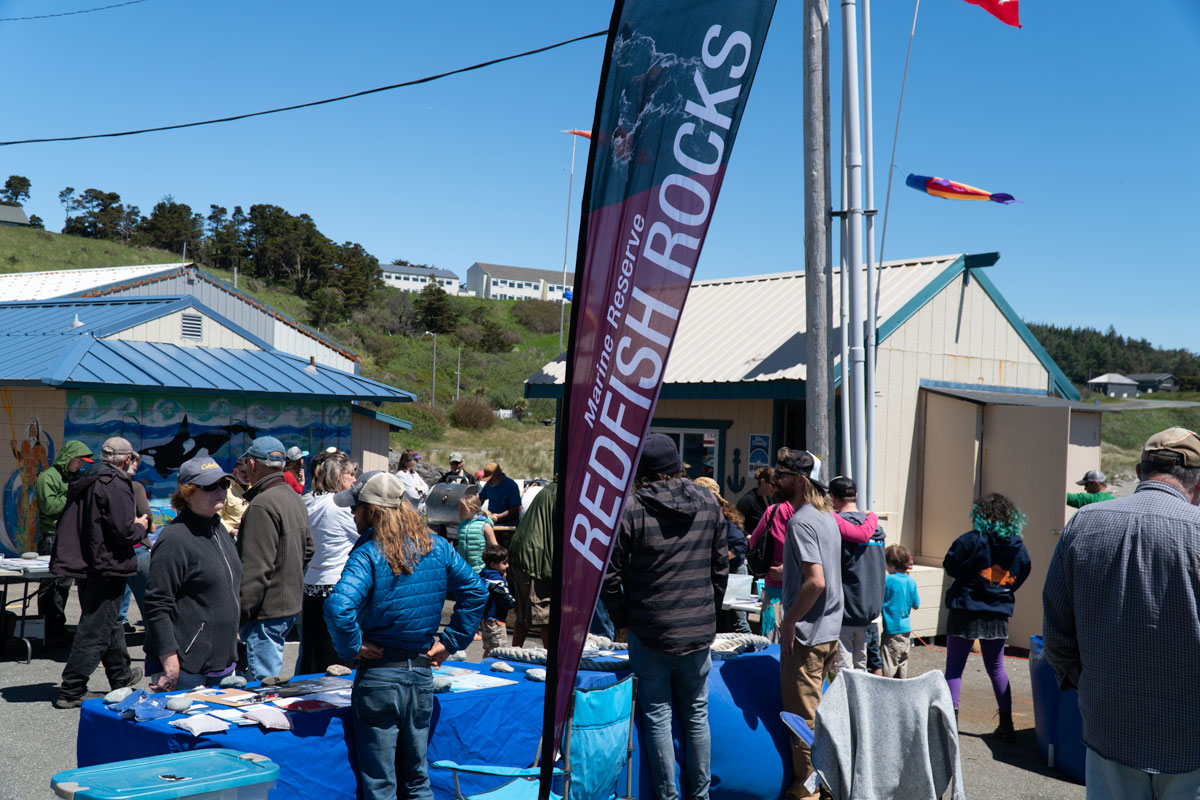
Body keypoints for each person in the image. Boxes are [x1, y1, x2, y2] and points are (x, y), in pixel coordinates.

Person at [1044, 427, 1200, 795]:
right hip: (1190, 739)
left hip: (1108, 727)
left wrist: (1092, 687)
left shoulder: (1085, 523)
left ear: (1138, 470)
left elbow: (1056, 635)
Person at [324, 470, 487, 800]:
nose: (352, 514)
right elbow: (476, 590)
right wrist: (450, 642)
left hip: (381, 677)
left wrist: (353, 646)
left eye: (355, 508)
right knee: (416, 780)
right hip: (420, 675)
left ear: (371, 510)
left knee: (381, 784)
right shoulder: (436, 547)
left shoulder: (368, 553)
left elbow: (338, 607)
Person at [601, 433, 728, 800]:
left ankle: (667, 796)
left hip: (650, 628)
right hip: (697, 629)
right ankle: (700, 795)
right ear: (677, 466)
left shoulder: (631, 509)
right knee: (695, 715)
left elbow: (609, 575)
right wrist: (709, 610)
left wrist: (620, 617)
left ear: (642, 472)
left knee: (657, 716)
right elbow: (721, 566)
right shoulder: (708, 501)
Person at [50, 437, 147, 708]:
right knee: (95, 627)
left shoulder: (90, 477)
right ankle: (72, 688)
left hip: (90, 562)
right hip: (107, 564)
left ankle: (121, 676)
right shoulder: (114, 484)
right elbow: (123, 531)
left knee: (109, 620)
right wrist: (140, 525)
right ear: (127, 459)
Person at [773, 448, 843, 800]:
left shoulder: (800, 520)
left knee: (802, 721)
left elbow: (816, 581)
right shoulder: (826, 516)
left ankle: (810, 792)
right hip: (829, 631)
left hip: (808, 636)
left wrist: (788, 622)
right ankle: (827, 785)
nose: (775, 480)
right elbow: (819, 570)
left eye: (781, 475)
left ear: (800, 481)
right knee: (821, 714)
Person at [144, 457, 242, 691]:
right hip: (188, 665)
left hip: (222, 659)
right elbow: (157, 603)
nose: (220, 491)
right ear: (187, 493)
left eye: (224, 485)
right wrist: (169, 660)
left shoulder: (218, 529)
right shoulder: (175, 538)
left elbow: (227, 588)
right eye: (210, 487)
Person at [942, 492, 1031, 742]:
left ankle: (950, 726)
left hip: (965, 608)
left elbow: (950, 565)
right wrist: (1001, 591)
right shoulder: (1018, 547)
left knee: (955, 668)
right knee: (997, 668)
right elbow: (1023, 572)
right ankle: (1006, 724)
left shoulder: (971, 540)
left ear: (980, 515)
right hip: (998, 611)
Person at [237, 435, 314, 681]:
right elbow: (309, 549)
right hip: (289, 604)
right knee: (269, 679)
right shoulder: (294, 497)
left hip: (265, 612)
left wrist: (238, 616)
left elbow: (255, 571)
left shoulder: (262, 505)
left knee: (262, 688)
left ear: (252, 464)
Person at [301, 450, 359, 674]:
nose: (354, 479)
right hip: (337, 585)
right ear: (337, 476)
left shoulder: (311, 503)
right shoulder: (341, 507)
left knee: (313, 655)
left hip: (312, 583)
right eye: (351, 474)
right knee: (338, 659)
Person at [34, 439, 93, 647]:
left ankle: (58, 628)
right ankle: (48, 630)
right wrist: (72, 494)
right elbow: (49, 506)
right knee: (50, 586)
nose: (80, 466)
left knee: (63, 585)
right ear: (69, 458)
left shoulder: (73, 477)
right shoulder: (47, 477)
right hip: (51, 537)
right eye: (78, 461)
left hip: (69, 537)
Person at [828, 476, 886, 672]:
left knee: (842, 668)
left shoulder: (838, 527)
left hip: (844, 608)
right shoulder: (876, 529)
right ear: (856, 496)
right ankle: (861, 702)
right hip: (869, 608)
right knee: (861, 664)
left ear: (833, 498)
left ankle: (848, 703)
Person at [695, 476, 750, 634]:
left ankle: (748, 652)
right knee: (723, 617)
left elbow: (742, 544)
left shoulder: (721, 518)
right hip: (723, 571)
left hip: (735, 572)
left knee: (740, 620)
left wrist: (720, 557)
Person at [507, 480, 554, 647]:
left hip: (524, 554)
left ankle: (513, 652)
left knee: (524, 613)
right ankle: (550, 662)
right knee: (544, 615)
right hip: (535, 557)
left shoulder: (551, 490)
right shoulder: (561, 493)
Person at [118, 453, 153, 633]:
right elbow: (147, 515)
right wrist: (143, 526)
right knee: (149, 603)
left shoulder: (100, 487)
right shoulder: (135, 487)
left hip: (113, 552)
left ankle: (119, 626)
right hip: (137, 549)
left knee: (114, 602)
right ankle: (155, 646)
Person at [881, 544, 919, 678]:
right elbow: (916, 604)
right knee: (902, 662)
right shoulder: (911, 581)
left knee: (888, 664)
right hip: (906, 629)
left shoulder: (887, 580)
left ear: (891, 564)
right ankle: (902, 690)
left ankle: (887, 691)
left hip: (892, 629)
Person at [479, 544, 515, 657]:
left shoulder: (484, 574)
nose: (507, 565)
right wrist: (515, 602)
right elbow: (505, 598)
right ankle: (491, 671)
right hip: (495, 620)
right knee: (498, 650)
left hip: (486, 618)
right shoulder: (496, 581)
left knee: (490, 648)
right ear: (493, 565)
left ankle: (484, 668)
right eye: (504, 563)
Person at [455, 493, 497, 574]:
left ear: (471, 508)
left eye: (462, 508)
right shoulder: (462, 525)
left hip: (480, 570)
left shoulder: (485, 525)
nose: (460, 510)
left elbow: (495, 547)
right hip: (463, 570)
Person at [736, 467, 774, 538]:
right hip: (751, 545)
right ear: (763, 482)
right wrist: (747, 535)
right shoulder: (748, 500)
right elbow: (735, 522)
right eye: (772, 485)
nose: (775, 488)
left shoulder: (772, 501)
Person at [479, 461, 521, 526]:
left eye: (490, 479)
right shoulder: (489, 485)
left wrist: (499, 516)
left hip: (509, 525)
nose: (488, 482)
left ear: (497, 476)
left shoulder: (511, 486)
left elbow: (516, 508)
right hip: (492, 523)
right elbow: (479, 498)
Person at [220, 456, 250, 537]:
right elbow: (216, 516)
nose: (247, 475)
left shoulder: (255, 486)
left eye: (250, 471)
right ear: (235, 471)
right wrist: (231, 530)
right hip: (232, 535)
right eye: (244, 471)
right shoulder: (226, 488)